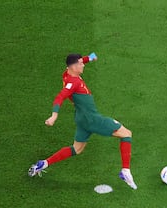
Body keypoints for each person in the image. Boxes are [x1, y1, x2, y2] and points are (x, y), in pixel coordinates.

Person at [28, 53, 137, 190]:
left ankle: (43, 163)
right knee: (126, 134)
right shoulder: (73, 83)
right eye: (80, 63)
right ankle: (125, 171)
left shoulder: (67, 74)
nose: (83, 65)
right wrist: (54, 115)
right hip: (92, 119)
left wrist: (90, 57)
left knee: (76, 149)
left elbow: (77, 64)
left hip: (81, 118)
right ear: (73, 66)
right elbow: (60, 97)